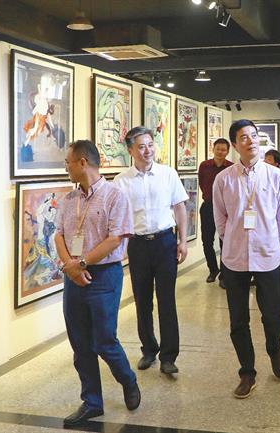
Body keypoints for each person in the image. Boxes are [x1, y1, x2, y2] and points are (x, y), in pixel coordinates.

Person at [55, 140, 140, 426]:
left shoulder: (115, 196)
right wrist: (70, 267)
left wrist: (81, 263)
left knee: (104, 340)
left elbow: (115, 238)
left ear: (82, 163)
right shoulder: (69, 199)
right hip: (73, 277)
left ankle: (128, 379)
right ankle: (92, 402)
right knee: (80, 343)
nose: (66, 167)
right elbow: (58, 235)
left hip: (103, 276)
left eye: (68, 162)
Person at [213, 119, 280, 399]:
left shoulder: (276, 176)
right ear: (235, 144)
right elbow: (220, 217)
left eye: (254, 135)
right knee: (238, 320)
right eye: (244, 137)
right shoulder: (224, 179)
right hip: (235, 257)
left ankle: (274, 349)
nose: (251, 141)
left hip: (268, 254)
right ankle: (247, 371)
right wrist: (232, 238)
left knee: (272, 314)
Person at [114, 126, 189, 376]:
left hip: (165, 242)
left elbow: (180, 208)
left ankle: (169, 356)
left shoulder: (168, 174)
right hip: (138, 245)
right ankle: (148, 349)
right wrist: (122, 247)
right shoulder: (121, 181)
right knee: (142, 300)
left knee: (167, 300)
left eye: (150, 145)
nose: (147, 151)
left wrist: (183, 241)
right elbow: (118, 217)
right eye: (141, 147)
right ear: (130, 151)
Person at [198, 138, 232, 286]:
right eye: (218, 149)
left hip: (226, 209)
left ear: (227, 151)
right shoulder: (204, 166)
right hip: (208, 206)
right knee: (207, 241)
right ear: (213, 149)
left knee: (225, 241)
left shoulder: (231, 167)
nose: (220, 152)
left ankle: (224, 275)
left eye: (223, 150)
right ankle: (213, 269)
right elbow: (202, 184)